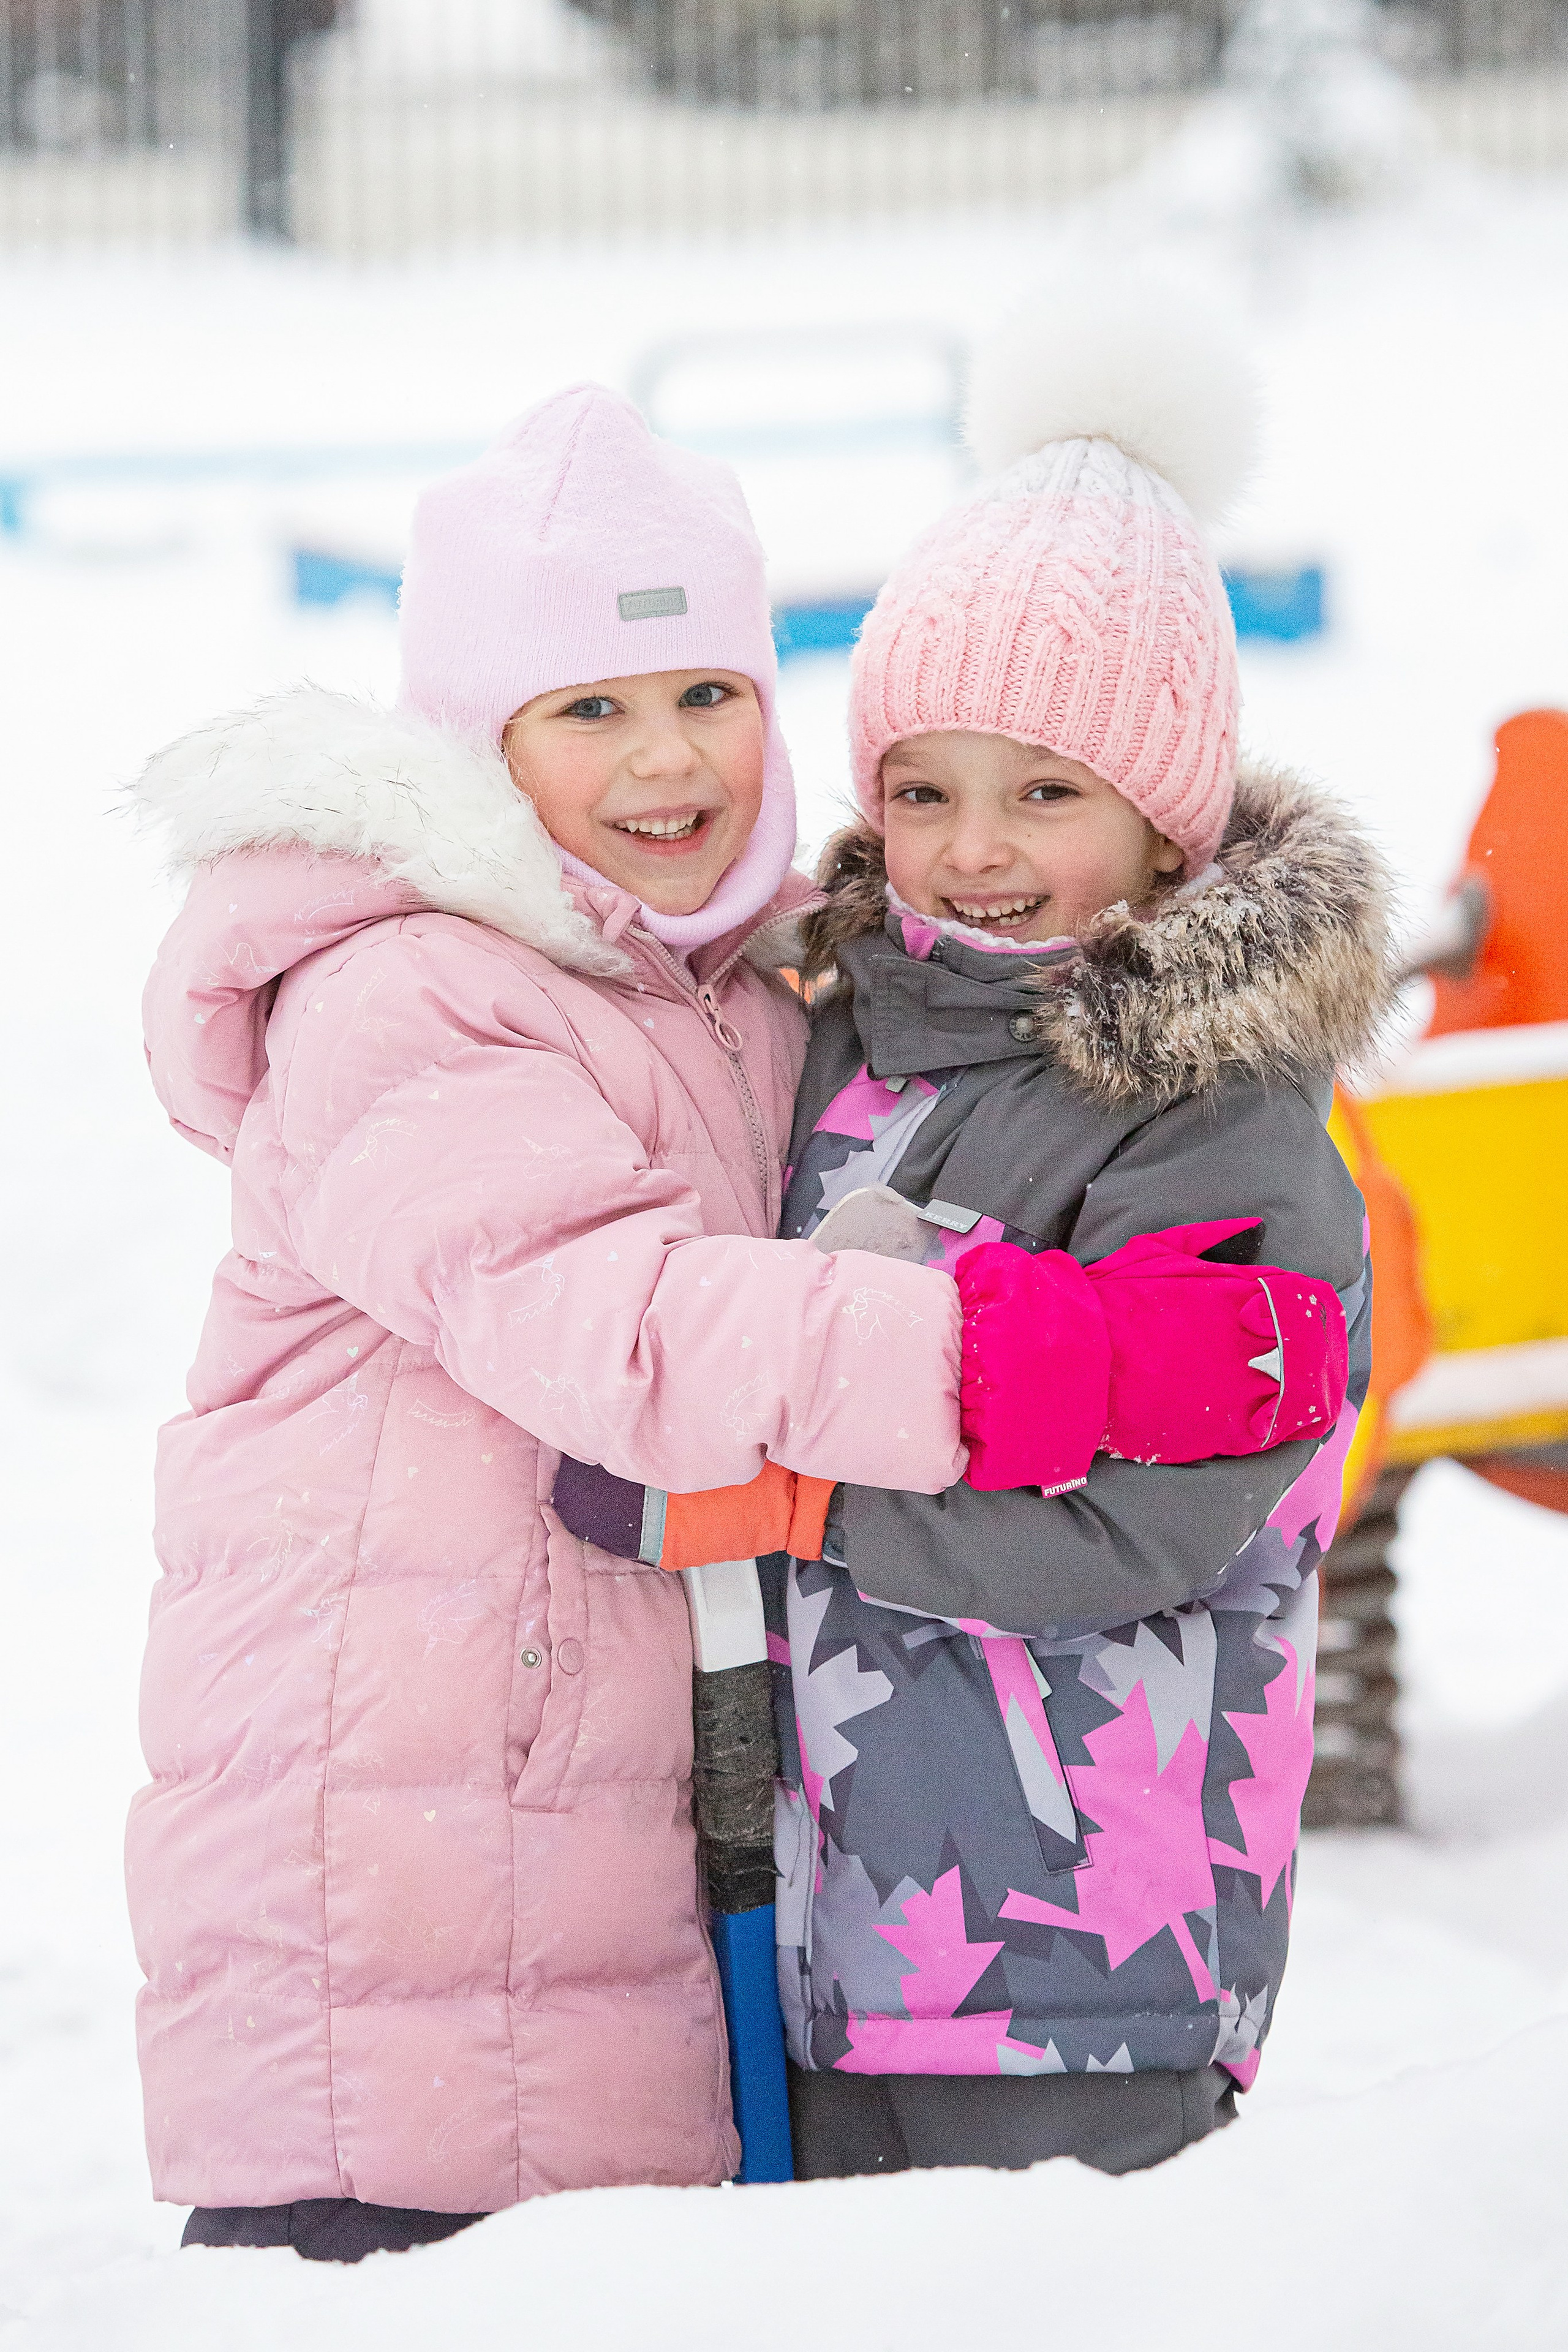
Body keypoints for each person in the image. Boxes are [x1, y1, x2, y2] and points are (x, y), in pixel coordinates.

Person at [126, 382, 1348, 2261]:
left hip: (701, 1913)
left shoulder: (756, 1000)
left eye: (704, 692)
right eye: (586, 708)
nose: (660, 758)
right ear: (477, 737)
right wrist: (1044, 1361)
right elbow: (627, 1332)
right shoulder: (417, 998)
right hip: (395, 1898)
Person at [768, 291, 1394, 2182]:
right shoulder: (834, 1043)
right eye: (924, 786)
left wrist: (784, 1497)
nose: (976, 844)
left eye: (1048, 791)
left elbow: (1139, 1531)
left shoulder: (1219, 1117)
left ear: (1169, 824)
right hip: (802, 1929)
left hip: (1081, 1951)